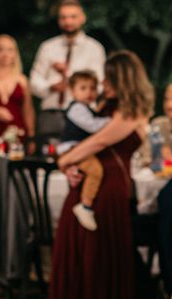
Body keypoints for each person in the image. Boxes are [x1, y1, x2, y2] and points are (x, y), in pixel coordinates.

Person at [49, 50, 154, 299]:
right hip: (92, 180)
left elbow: (101, 140)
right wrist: (73, 163)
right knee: (84, 244)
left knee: (101, 247)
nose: (103, 82)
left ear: (122, 78)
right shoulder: (106, 104)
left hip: (110, 185)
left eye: (109, 77)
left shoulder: (133, 110)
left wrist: (64, 161)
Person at [29, 0, 106, 143]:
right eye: (63, 17)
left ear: (82, 18)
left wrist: (68, 74)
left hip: (83, 114)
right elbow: (34, 82)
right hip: (51, 114)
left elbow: (99, 85)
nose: (68, 21)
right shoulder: (47, 47)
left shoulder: (94, 48)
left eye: (72, 17)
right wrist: (51, 87)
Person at [57, 70, 112, 231]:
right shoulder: (77, 109)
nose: (89, 92)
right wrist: (113, 121)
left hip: (78, 148)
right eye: (83, 88)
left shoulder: (87, 108)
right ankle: (85, 205)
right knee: (95, 170)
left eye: (93, 88)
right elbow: (92, 125)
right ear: (73, 91)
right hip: (73, 148)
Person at [0, 34, 35, 150]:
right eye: (1, 49)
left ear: (15, 54)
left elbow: (28, 110)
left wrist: (31, 136)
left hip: (17, 133)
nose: (5, 54)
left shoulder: (22, 80)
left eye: (10, 50)